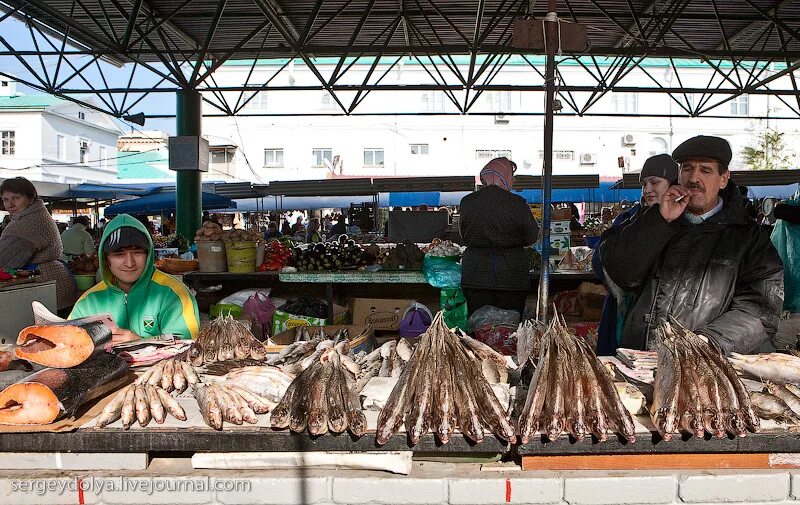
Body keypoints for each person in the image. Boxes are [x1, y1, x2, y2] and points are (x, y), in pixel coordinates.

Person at [600, 136, 784, 354]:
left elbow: (760, 311)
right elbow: (622, 274)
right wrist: (659, 221)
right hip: (641, 361)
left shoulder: (749, 238)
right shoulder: (650, 219)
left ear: (724, 178)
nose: (694, 178)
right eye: (687, 169)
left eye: (705, 170)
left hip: (708, 366)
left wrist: (706, 343)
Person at [593, 154, 678, 355]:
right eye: (644, 184)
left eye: (655, 182)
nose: (648, 189)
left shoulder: (684, 224)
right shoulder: (628, 218)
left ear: (674, 184)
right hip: (622, 311)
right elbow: (599, 261)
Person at [70, 214, 200, 342]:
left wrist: (139, 342)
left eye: (137, 252)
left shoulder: (173, 294)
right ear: (105, 259)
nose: (130, 263)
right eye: (119, 254)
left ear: (148, 255)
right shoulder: (88, 303)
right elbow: (68, 345)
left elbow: (187, 347)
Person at [459, 157, 540, 318]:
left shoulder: (467, 202)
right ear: (506, 176)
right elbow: (532, 236)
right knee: (509, 330)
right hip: (511, 276)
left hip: (475, 275)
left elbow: (463, 235)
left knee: (479, 328)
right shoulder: (517, 203)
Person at [0, 177, 77, 312]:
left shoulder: (26, 223)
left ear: (31, 198)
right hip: (55, 283)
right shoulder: (36, 214)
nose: (10, 204)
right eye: (5, 199)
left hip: (44, 287)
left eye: (15, 198)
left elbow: (4, 261)